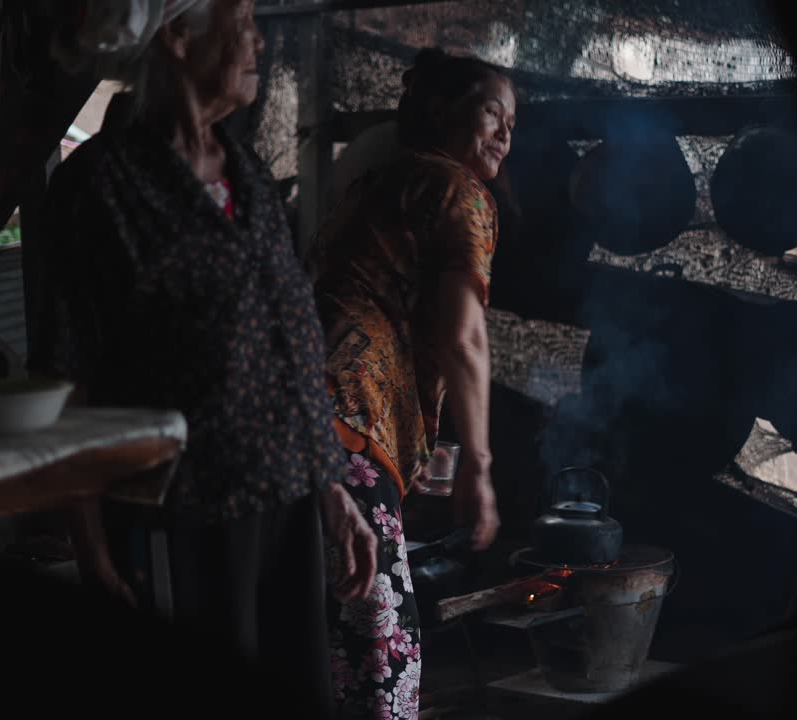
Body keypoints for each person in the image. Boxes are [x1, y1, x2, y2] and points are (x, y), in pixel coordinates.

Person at [35, 2, 377, 714]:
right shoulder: (100, 185)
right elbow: (66, 374)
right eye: (243, 18)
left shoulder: (243, 170)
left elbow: (291, 341)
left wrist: (331, 490)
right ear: (177, 34)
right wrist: (90, 547)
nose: (259, 38)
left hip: (285, 503)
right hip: (182, 510)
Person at [308, 47, 515, 719]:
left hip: (295, 427)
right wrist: (479, 469)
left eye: (514, 123)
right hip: (346, 424)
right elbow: (465, 336)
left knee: (313, 641)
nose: (507, 135)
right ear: (439, 112)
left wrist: (418, 443)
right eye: (492, 112)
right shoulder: (459, 191)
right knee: (380, 657)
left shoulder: (379, 183)